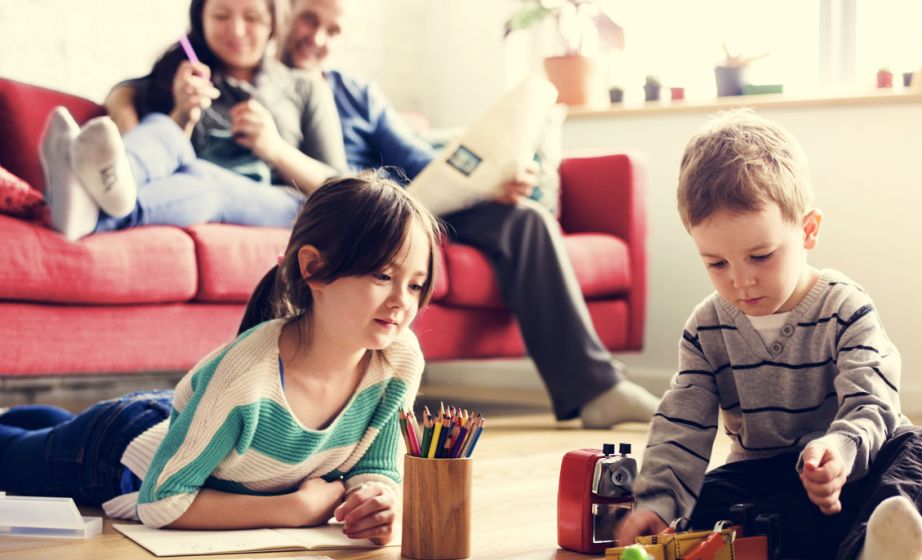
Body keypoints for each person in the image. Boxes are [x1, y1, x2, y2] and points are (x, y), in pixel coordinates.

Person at [195, 0, 657, 428]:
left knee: (524, 219)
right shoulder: (264, 92)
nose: (318, 38)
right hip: (350, 224)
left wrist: (494, 183)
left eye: (333, 30)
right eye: (310, 20)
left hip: (412, 210)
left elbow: (421, 163)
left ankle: (597, 388)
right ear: (284, 15)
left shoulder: (356, 94)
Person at [0, 174, 441, 542]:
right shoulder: (245, 376)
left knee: (50, 425)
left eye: (416, 285)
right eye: (383, 275)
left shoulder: (398, 361)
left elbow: (375, 466)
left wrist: (377, 498)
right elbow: (161, 500)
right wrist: (292, 509)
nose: (403, 301)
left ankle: (34, 416)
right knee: (13, 455)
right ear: (313, 269)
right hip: (115, 453)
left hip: (185, 423)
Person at [614, 110, 922, 560]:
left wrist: (839, 449)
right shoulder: (705, 329)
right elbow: (683, 425)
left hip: (852, 475)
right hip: (764, 481)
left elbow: (872, 402)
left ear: (808, 231)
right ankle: (806, 544)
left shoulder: (845, 308)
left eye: (761, 256)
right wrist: (657, 502)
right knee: (708, 499)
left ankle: (873, 548)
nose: (740, 282)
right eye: (716, 264)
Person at [42, 0, 347, 241]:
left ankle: (89, 209)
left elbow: (341, 186)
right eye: (221, 16)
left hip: (282, 201)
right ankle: (92, 182)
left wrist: (275, 148)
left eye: (252, 18)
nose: (237, 30)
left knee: (204, 177)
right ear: (200, 19)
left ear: (272, 24)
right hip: (186, 184)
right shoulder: (184, 72)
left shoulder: (304, 87)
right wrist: (182, 114)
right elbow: (126, 90)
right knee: (165, 130)